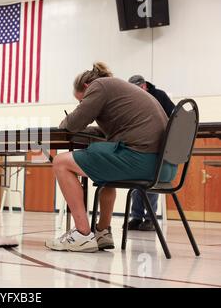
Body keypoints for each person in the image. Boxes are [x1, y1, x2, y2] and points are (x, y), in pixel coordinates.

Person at [46, 62, 177, 253]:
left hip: (144, 161)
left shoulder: (99, 86)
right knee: (108, 164)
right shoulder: (121, 88)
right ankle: (102, 231)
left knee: (60, 162)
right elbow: (125, 128)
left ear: (86, 87)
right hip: (165, 166)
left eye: (82, 101)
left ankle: (82, 234)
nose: (83, 104)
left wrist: (70, 118)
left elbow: (71, 124)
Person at [126, 75, 176, 231]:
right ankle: (136, 217)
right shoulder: (131, 99)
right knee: (136, 182)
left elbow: (174, 114)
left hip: (158, 143)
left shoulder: (159, 95)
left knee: (151, 181)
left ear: (144, 87)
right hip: (139, 142)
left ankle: (150, 218)